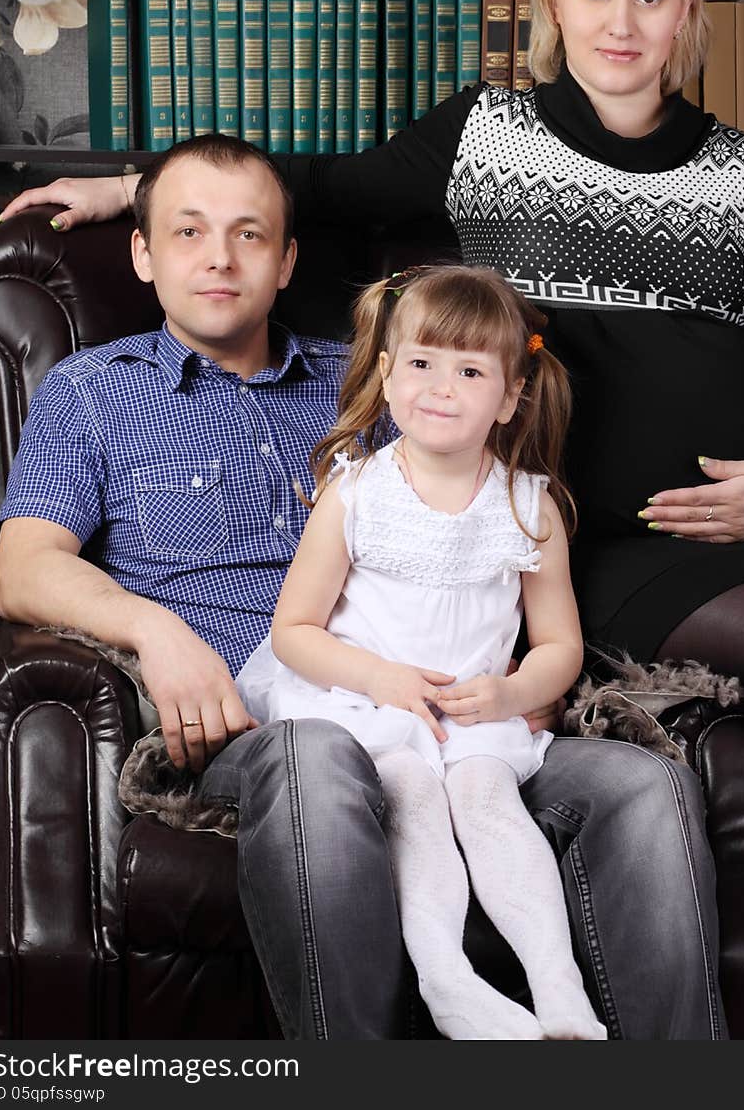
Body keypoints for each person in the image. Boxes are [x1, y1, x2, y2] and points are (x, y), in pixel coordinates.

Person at [0, 129, 726, 1041]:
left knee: (642, 786)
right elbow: (23, 569)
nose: (219, 257)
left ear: (288, 257)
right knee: (316, 756)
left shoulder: (380, 387)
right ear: (142, 253)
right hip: (250, 716)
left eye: (249, 234)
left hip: (449, 711)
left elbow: (492, 517)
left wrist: (519, 680)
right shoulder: (92, 390)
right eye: (186, 233)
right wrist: (154, 631)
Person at [238, 264, 607, 1040]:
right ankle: (447, 978)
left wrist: (510, 694)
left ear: (510, 396)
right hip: (363, 698)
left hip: (471, 711)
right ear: (386, 373)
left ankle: (557, 983)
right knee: (411, 794)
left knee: (488, 802)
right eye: (421, 364)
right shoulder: (357, 491)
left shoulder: (529, 506)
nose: (441, 387)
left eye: (471, 371)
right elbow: (294, 630)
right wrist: (380, 677)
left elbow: (560, 646)